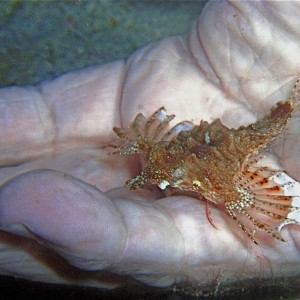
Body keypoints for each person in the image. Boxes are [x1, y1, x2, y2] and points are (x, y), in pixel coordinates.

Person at [0, 0, 299, 293]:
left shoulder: (217, 184)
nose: (149, 176)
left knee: (244, 202)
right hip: (208, 147)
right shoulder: (164, 154)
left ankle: (291, 101)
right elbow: (151, 138)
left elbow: (252, 198)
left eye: (167, 177)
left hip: (238, 142)